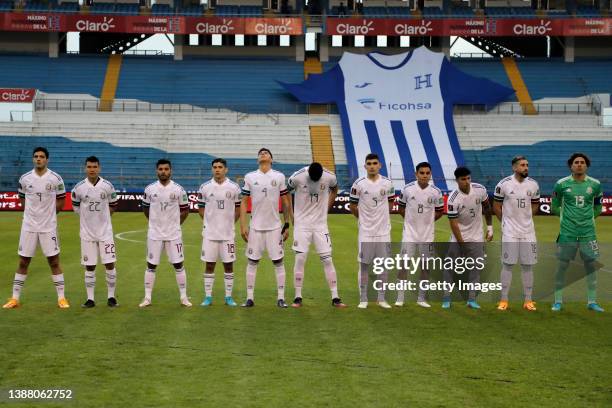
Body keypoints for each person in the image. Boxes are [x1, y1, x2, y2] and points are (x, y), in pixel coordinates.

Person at [3, 147, 69, 309]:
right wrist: (31, 215)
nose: (38, 159)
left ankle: (61, 298)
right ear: (33, 159)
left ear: (47, 159)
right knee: (23, 261)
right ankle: (15, 298)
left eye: (41, 157)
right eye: (36, 156)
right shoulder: (25, 179)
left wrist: (50, 216)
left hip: (48, 227)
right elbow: (22, 199)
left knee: (54, 261)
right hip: (29, 226)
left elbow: (61, 200)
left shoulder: (55, 179)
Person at [240, 148, 293, 308]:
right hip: (255, 227)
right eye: (260, 153)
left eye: (266, 153)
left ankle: (281, 298)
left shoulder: (279, 176)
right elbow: (243, 201)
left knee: (278, 261)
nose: (263, 154)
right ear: (258, 160)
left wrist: (287, 224)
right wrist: (243, 225)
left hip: (275, 227)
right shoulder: (250, 177)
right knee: (252, 261)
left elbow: (285, 201)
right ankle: (249, 298)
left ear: (271, 159)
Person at [287, 162, 346, 308]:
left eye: (317, 179)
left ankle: (335, 297)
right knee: (300, 259)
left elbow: (335, 188)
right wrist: (291, 215)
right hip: (302, 225)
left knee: (327, 260)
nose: (314, 181)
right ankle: (297, 297)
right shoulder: (298, 177)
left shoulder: (329, 177)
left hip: (320, 225)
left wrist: (327, 207)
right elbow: (285, 192)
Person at [551, 153, 604, 312]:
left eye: (582, 162)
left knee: (590, 266)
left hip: (588, 233)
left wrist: (587, 219)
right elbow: (555, 206)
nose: (579, 165)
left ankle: (592, 302)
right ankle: (558, 301)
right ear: (571, 166)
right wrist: (566, 219)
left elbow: (598, 207)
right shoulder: (561, 184)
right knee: (562, 266)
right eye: (576, 162)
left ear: (586, 166)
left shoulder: (595, 184)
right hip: (567, 233)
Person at [139, 159, 191, 308]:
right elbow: (145, 208)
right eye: (160, 169)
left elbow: (185, 210)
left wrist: (175, 225)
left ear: (171, 171)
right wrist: (154, 223)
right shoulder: (149, 189)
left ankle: (183, 297)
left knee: (179, 264)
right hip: (154, 234)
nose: (163, 172)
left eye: (166, 169)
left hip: (173, 235)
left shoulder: (178, 189)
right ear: (157, 171)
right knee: (151, 265)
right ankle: (147, 297)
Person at [442, 166, 493, 309]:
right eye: (463, 179)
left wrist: (490, 227)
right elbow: (453, 224)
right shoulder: (453, 199)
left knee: (476, 268)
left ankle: (471, 300)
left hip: (477, 236)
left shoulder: (480, 189)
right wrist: (462, 243)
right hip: (459, 237)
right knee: (450, 266)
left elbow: (487, 207)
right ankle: (446, 297)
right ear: (457, 180)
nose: (467, 182)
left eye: (468, 178)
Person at [493, 155, 540, 311]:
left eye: (527, 165)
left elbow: (535, 204)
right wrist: (505, 223)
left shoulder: (533, 185)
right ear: (514, 167)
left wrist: (527, 218)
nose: (526, 167)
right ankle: (504, 300)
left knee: (528, 266)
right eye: (522, 165)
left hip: (528, 231)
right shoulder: (503, 184)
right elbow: (496, 206)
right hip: (510, 232)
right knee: (508, 264)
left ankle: (528, 300)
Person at [71, 156, 119, 308]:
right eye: (89, 167)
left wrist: (104, 220)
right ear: (85, 168)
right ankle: (90, 299)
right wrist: (87, 220)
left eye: (94, 167)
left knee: (109, 263)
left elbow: (113, 205)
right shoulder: (78, 188)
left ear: (99, 168)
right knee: (89, 266)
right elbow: (76, 207)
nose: (92, 169)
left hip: (105, 233)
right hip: (87, 234)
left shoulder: (108, 186)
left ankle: (111, 297)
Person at [349, 153, 395, 309]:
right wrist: (363, 220)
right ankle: (363, 298)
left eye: (375, 163)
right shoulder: (358, 184)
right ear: (365, 166)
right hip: (366, 231)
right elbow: (353, 206)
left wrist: (382, 219)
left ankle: (381, 298)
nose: (372, 166)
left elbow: (390, 202)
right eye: (369, 163)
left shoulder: (388, 184)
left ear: (380, 165)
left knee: (383, 265)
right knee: (364, 265)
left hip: (383, 231)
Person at [396, 162, 444, 308]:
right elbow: (401, 208)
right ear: (416, 174)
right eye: (421, 173)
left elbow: (440, 211)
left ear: (430, 174)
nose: (424, 176)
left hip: (427, 236)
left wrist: (428, 222)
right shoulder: (407, 189)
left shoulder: (436, 192)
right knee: (404, 265)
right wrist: (410, 222)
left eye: (427, 173)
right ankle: (400, 297)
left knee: (425, 267)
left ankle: (421, 298)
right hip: (409, 235)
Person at [197, 158, 241, 307]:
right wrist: (210, 222)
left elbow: (238, 209)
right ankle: (208, 297)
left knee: (228, 265)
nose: (217, 169)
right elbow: (201, 208)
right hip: (209, 234)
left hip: (228, 235)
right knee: (209, 265)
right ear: (212, 169)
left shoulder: (234, 187)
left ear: (226, 169)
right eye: (215, 167)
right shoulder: (205, 187)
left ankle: (228, 297)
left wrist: (229, 223)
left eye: (220, 167)